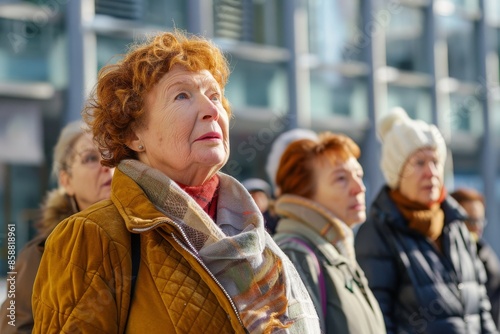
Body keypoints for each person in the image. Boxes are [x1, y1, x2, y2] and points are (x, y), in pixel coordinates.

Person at [32, 31, 320, 333]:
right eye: (182, 95)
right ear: (134, 135)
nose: (211, 110)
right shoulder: (92, 237)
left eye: (214, 96)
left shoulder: (257, 235)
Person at [355, 107, 498, 333]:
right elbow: (379, 321)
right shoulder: (378, 233)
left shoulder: (455, 225)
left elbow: (481, 307)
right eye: (419, 163)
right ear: (397, 173)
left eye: (436, 161)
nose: (431, 172)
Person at [0, 120, 114, 334]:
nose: (106, 166)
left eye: (110, 156)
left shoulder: (145, 237)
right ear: (66, 181)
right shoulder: (36, 256)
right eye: (90, 158)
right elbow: (12, 326)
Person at [272, 131, 386, 333]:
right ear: (304, 192)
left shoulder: (335, 251)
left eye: (359, 175)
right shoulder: (296, 254)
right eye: (341, 178)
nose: (359, 188)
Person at [451, 188, 500, 329]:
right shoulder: (441, 256)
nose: (476, 228)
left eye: (480, 221)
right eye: (470, 221)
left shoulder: (486, 257)